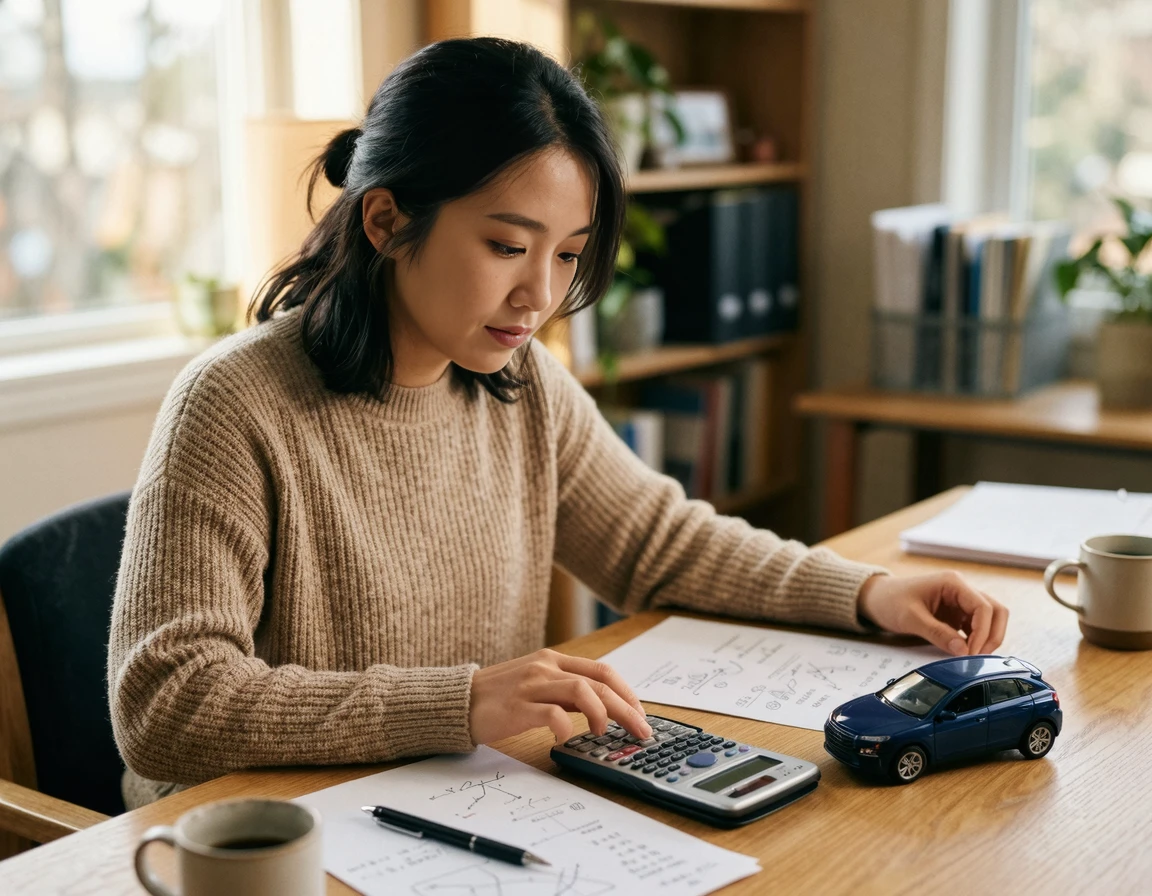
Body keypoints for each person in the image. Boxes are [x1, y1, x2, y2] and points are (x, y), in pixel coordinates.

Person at [107, 36, 1008, 810]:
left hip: (457, 803)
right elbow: (167, 705)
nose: (538, 296)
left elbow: (658, 542)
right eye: (506, 246)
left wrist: (862, 594)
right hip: (260, 845)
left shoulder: (518, 379)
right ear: (386, 219)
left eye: (567, 255)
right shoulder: (233, 404)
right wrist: (456, 703)